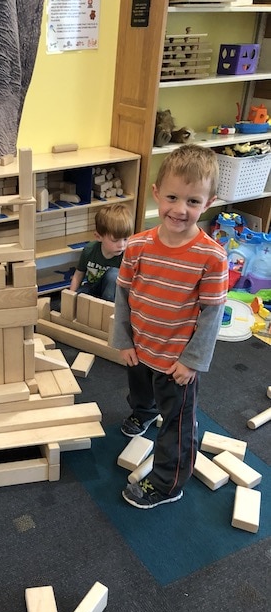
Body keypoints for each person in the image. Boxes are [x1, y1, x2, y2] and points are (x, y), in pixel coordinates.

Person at [112, 144, 228, 509]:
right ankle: (144, 412)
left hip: (178, 362)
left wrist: (192, 362)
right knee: (141, 392)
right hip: (141, 347)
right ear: (156, 194)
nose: (180, 210)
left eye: (193, 201)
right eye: (173, 197)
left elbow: (211, 315)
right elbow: (124, 293)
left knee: (177, 427)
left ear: (208, 203)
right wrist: (123, 339)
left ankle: (168, 484)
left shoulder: (211, 256)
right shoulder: (138, 245)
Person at [69, 203, 133, 302]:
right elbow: (78, 275)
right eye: (115, 240)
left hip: (114, 296)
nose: (121, 245)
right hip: (92, 289)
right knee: (66, 304)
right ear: (99, 237)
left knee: (113, 275)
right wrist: (71, 296)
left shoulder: (127, 255)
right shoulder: (89, 250)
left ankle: (106, 311)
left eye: (125, 239)